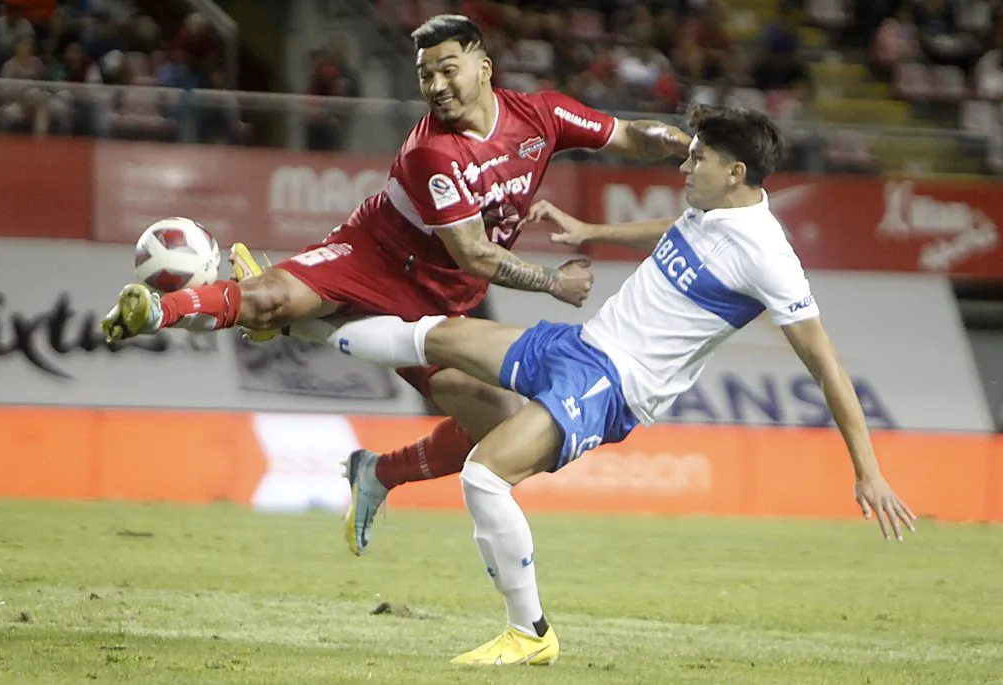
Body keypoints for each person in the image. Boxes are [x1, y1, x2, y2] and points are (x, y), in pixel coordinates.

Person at [314, 104, 918, 665]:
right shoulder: (710, 209)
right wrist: (587, 230)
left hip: (614, 386)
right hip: (583, 345)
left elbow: (826, 364)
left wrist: (867, 469)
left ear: (735, 172)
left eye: (697, 158)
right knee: (439, 337)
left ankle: (530, 634)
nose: (685, 165)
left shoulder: (769, 256)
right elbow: (672, 229)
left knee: (485, 475)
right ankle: (297, 320)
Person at [99, 15, 690, 560]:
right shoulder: (430, 151)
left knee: (510, 429)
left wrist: (690, 145)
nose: (435, 85)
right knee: (273, 296)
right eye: (424, 74)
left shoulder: (544, 116)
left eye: (446, 68)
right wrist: (551, 281)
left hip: (441, 307)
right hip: (372, 259)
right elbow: (475, 254)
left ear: (483, 68)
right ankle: (160, 307)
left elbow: (629, 135)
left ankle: (377, 473)